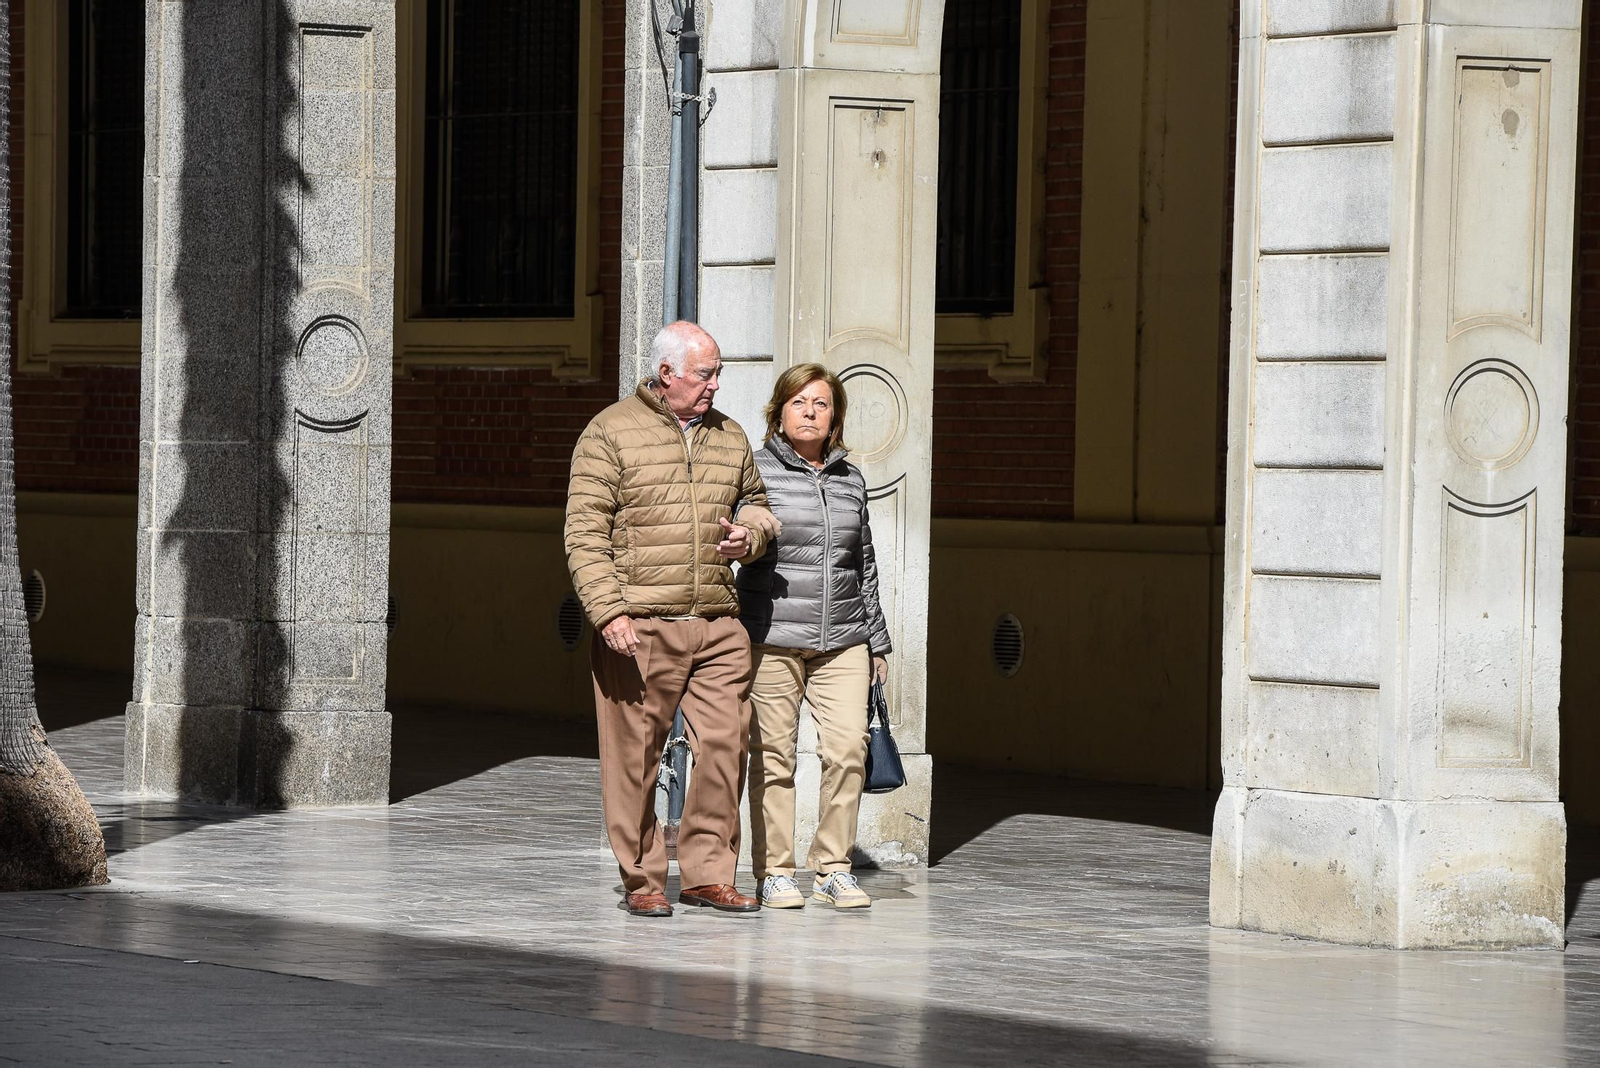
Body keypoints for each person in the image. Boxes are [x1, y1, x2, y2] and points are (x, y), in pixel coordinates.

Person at [565, 321, 778, 918]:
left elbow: (758, 504)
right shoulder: (609, 432)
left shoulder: (729, 435)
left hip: (717, 622)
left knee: (726, 746)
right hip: (640, 624)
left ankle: (709, 874)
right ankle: (643, 880)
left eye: (718, 373)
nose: (715, 385)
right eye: (705, 374)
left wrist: (751, 536)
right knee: (635, 758)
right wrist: (608, 610)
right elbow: (584, 533)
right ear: (667, 374)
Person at [736, 363, 891, 910]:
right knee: (774, 757)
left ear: (835, 418)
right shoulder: (754, 472)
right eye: (798, 402)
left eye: (820, 404)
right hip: (772, 635)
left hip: (843, 637)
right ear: (778, 413)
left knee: (848, 749)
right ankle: (775, 872)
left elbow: (863, 564)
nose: (809, 412)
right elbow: (742, 540)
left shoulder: (851, 480)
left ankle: (832, 868)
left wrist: (878, 642)